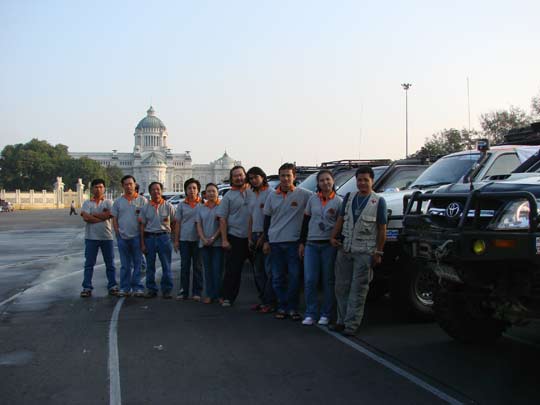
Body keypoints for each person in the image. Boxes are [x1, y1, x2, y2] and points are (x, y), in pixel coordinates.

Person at [330, 166, 387, 336]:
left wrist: (378, 252)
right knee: (341, 287)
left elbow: (382, 229)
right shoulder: (349, 198)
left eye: (365, 180)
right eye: (359, 180)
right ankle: (341, 321)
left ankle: (351, 325)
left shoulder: (379, 201)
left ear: (372, 181)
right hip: (345, 249)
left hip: (364, 252)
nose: (362, 183)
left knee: (358, 290)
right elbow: (341, 219)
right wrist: (333, 236)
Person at [263, 163, 312, 320]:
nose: (285, 179)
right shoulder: (272, 196)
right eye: (282, 175)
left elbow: (319, 202)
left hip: (294, 243)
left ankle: (292, 308)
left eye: (288, 175)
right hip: (275, 242)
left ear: (294, 177)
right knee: (277, 277)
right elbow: (267, 219)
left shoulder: (304, 195)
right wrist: (266, 240)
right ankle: (282, 306)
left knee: (294, 277)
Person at [299, 170, 342, 325]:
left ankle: (326, 313)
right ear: (318, 183)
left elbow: (340, 224)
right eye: (322, 180)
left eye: (328, 179)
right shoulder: (312, 199)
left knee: (328, 280)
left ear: (333, 181)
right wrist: (302, 243)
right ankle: (310, 313)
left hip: (328, 246)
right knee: (310, 280)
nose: (325, 183)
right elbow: (305, 222)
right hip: (311, 244)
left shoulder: (339, 201)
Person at [217, 165, 253, 307]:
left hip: (254, 238)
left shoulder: (253, 191)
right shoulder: (228, 196)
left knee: (260, 271)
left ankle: (267, 300)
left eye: (240, 175)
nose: (239, 178)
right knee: (233, 270)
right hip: (236, 237)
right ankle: (228, 297)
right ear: (232, 179)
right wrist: (224, 240)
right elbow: (222, 218)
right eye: (235, 176)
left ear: (245, 175)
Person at [79, 179, 118, 297]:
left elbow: (110, 214)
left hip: (107, 237)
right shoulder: (87, 203)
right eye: (96, 187)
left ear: (104, 188)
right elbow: (86, 218)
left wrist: (94, 215)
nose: (98, 189)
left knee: (110, 263)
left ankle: (112, 285)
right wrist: (102, 217)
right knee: (89, 264)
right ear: (92, 189)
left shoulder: (109, 202)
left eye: (101, 187)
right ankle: (87, 287)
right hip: (91, 237)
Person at [112, 175, 147, 297]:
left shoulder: (142, 201)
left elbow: (146, 219)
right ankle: (125, 287)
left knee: (138, 264)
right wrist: (117, 233)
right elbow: (114, 219)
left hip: (137, 237)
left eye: (130, 184)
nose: (128, 186)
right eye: (126, 184)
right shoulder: (118, 202)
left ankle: (137, 287)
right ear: (122, 186)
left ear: (135, 184)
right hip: (123, 237)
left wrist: (143, 237)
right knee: (125, 265)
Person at [139, 182, 176, 299]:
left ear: (162, 190)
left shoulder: (168, 206)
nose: (156, 192)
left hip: (164, 237)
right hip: (149, 237)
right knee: (150, 266)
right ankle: (151, 289)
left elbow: (174, 223)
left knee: (166, 265)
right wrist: (142, 243)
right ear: (150, 192)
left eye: (158, 189)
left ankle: (167, 290)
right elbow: (142, 226)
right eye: (153, 190)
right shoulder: (145, 208)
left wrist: (174, 239)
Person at [246, 166, 275, 313]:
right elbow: (251, 217)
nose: (254, 180)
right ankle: (263, 300)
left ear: (262, 177)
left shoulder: (271, 193)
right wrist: (249, 237)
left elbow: (271, 219)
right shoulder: (251, 194)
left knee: (269, 271)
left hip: (267, 236)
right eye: (251, 178)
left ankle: (270, 302)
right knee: (258, 272)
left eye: (256, 177)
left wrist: (264, 237)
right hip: (254, 235)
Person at [174, 178, 203, 301]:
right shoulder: (181, 205)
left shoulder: (203, 204)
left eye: (194, 188)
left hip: (198, 240)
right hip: (184, 240)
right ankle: (183, 291)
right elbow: (177, 223)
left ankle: (197, 292)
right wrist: (176, 240)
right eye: (189, 188)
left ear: (198, 190)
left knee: (197, 267)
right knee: (184, 266)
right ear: (185, 190)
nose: (192, 190)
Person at [196, 183, 223, 304]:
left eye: (213, 191)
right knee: (207, 270)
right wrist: (203, 238)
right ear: (205, 194)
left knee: (218, 270)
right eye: (208, 191)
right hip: (204, 244)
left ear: (217, 193)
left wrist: (213, 237)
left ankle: (219, 294)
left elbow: (222, 224)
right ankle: (209, 294)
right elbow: (199, 225)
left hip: (217, 244)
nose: (211, 193)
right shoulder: (201, 208)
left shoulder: (221, 206)